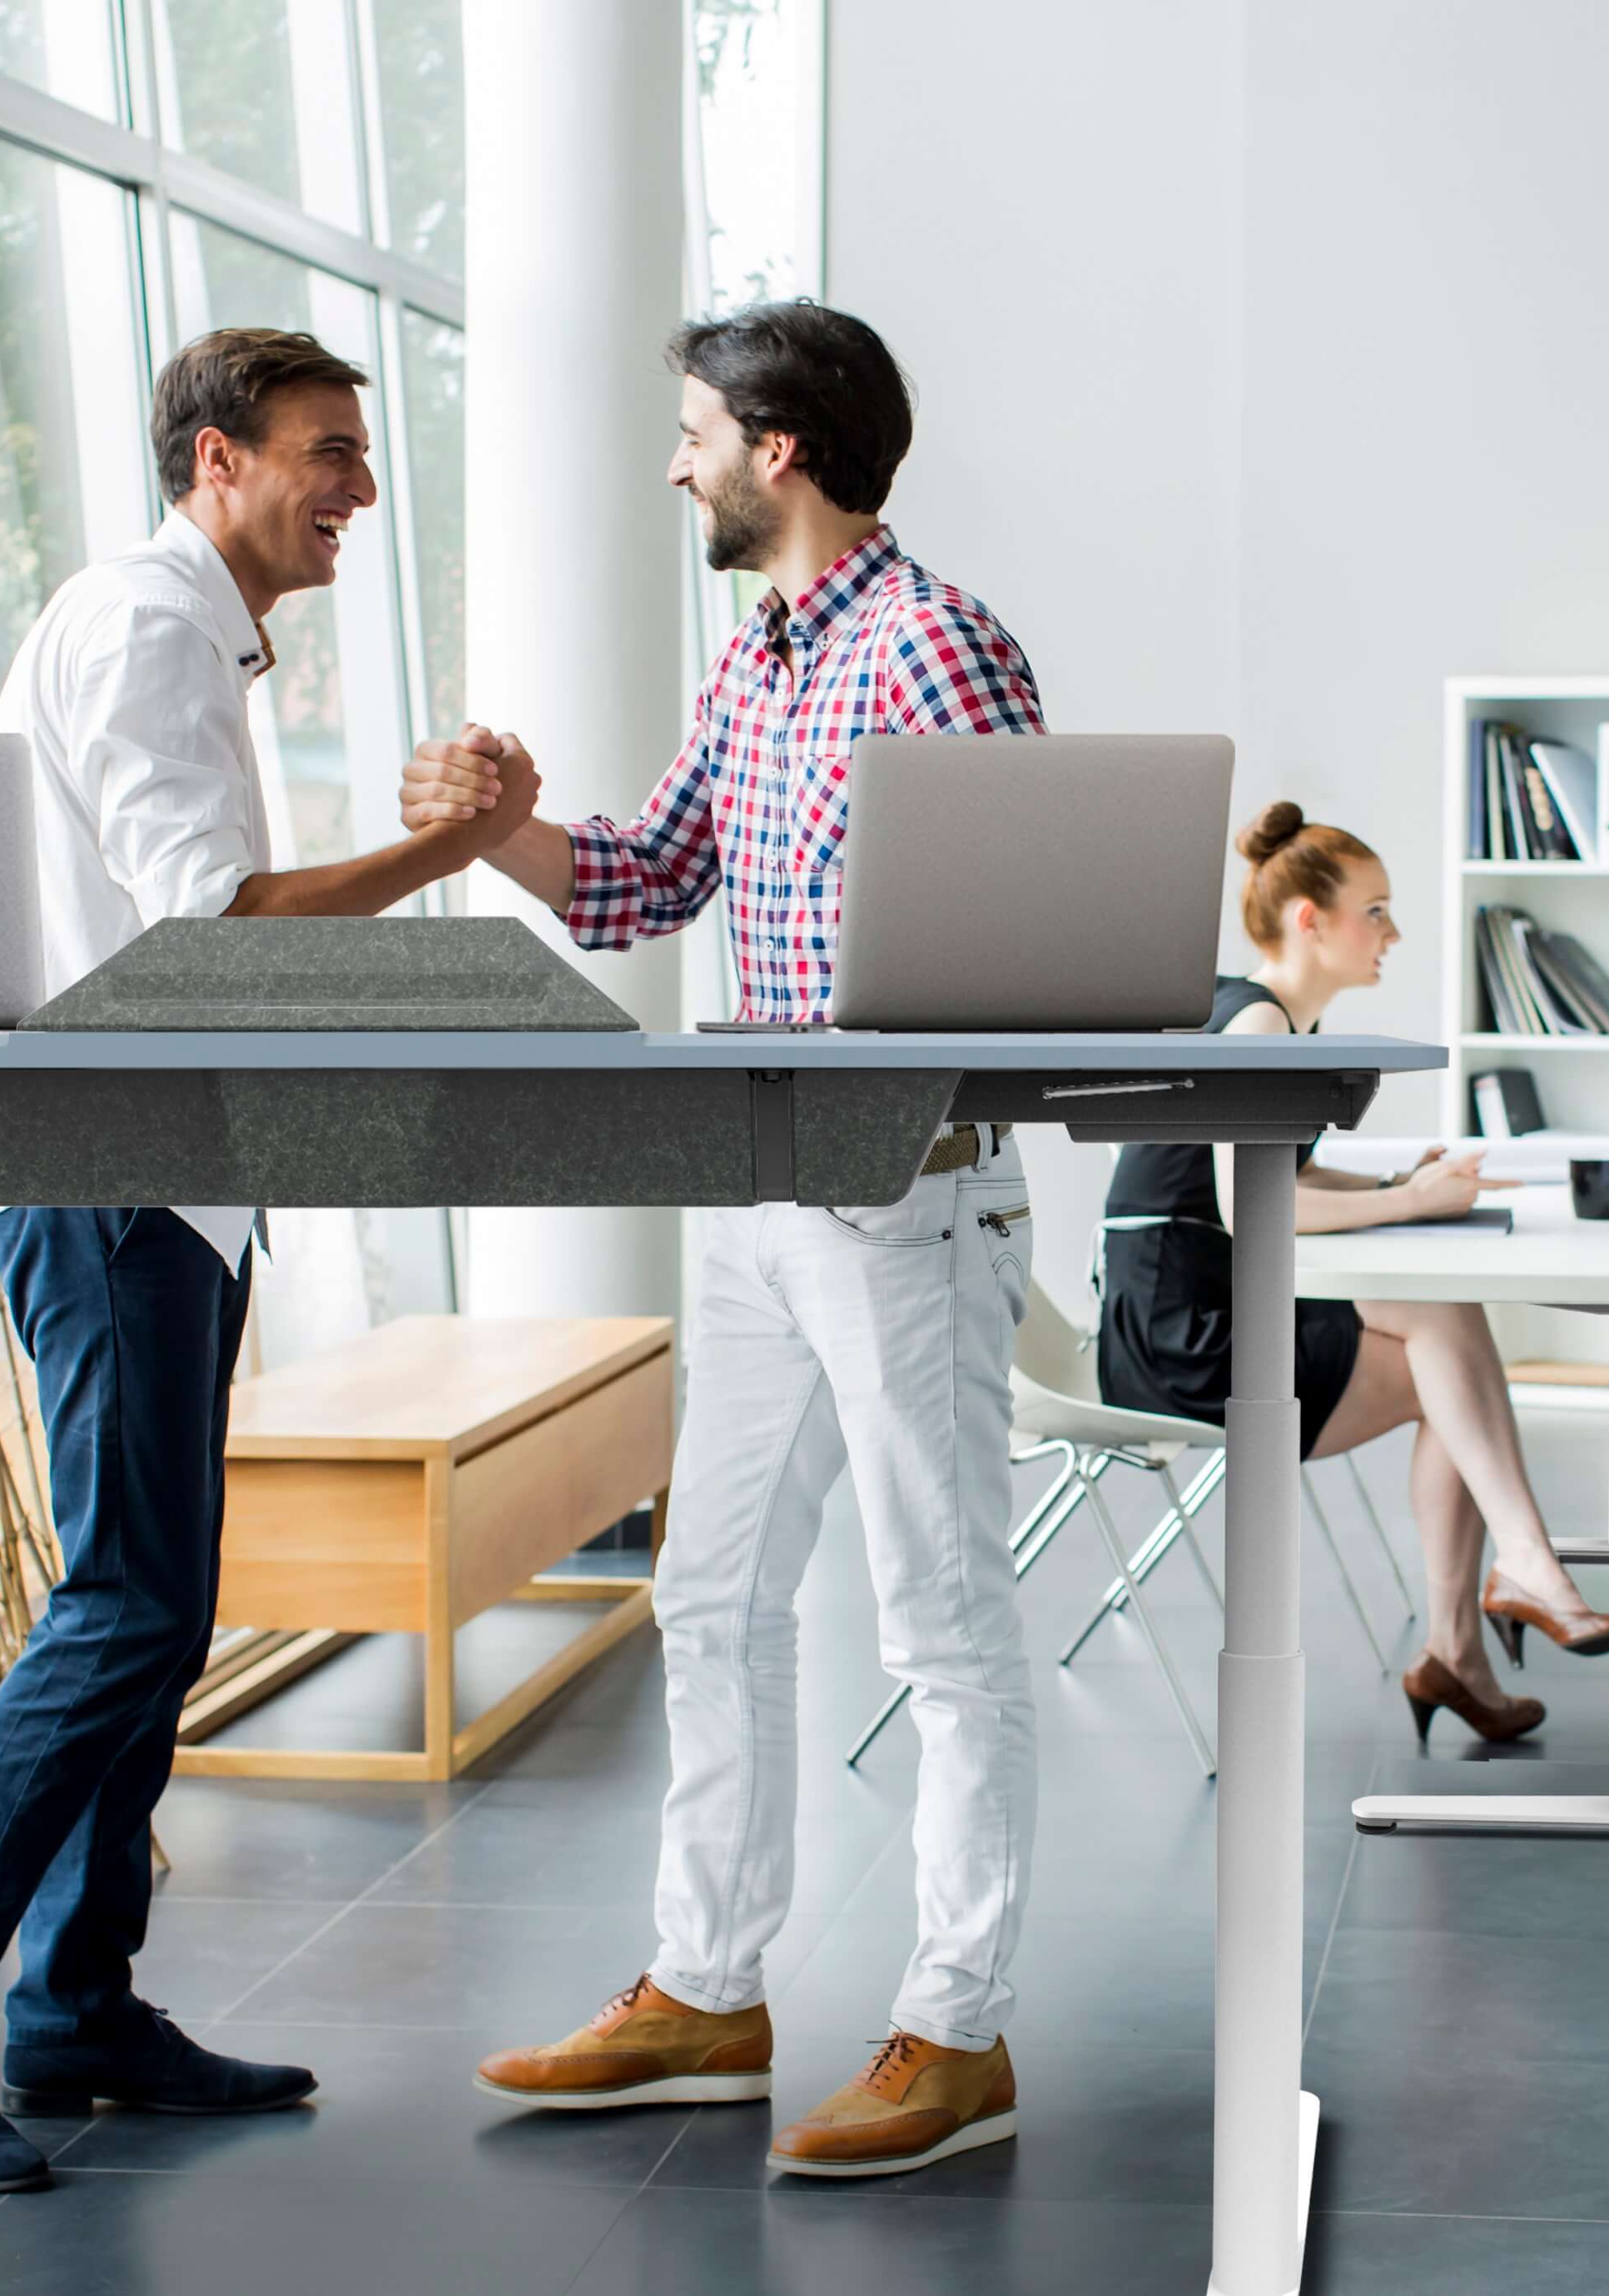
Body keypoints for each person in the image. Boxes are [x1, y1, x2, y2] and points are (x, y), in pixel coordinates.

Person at [0, 327, 542, 2193]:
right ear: (215, 460)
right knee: (127, 1603)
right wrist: (445, 853)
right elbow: (208, 929)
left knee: (155, 1601)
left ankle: (75, 2000)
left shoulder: (191, 637)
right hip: (101, 1174)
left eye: (360, 455)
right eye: (325, 450)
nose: (357, 488)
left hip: (162, 1182)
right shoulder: (149, 627)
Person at [405, 302, 1044, 2180]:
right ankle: (705, 1986)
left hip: (904, 1192)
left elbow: (1017, 937)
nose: (673, 462)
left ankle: (959, 2029)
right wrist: (505, 835)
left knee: (941, 1623)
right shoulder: (756, 658)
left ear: (781, 444)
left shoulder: (935, 647)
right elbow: (649, 877)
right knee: (713, 1596)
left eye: (694, 431)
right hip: (758, 1193)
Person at [1094, 804, 1609, 1752]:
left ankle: (1471, 1637)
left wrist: (1398, 1188)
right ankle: (1505, 1591)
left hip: (1185, 1309)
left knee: (1446, 1353)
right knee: (1445, 1350)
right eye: (1374, 911)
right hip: (1182, 1343)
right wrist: (1410, 1202)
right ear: (1309, 919)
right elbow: (1248, 1204)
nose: (1393, 933)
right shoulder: (1258, 1025)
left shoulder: (1257, 1012)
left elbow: (1272, 1176)